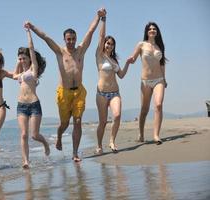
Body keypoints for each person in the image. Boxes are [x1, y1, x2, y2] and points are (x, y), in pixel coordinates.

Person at [25, 8, 105, 162]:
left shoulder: (80, 51)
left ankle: (75, 153)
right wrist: (32, 27)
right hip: (64, 92)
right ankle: (60, 136)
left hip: (79, 92)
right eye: (68, 39)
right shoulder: (60, 52)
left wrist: (98, 16)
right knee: (64, 123)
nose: (71, 41)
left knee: (77, 121)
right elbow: (45, 37)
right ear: (64, 39)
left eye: (73, 39)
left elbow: (90, 31)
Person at [95, 9, 132, 154]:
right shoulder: (99, 56)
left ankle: (112, 141)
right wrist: (103, 19)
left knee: (117, 116)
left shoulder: (114, 60)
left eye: (111, 44)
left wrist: (128, 63)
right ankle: (99, 145)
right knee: (103, 122)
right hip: (101, 94)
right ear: (104, 44)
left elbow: (121, 75)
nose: (109, 45)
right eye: (107, 43)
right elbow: (101, 35)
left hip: (115, 93)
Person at [13, 23, 50, 169]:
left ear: (29, 59)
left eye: (24, 58)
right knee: (23, 135)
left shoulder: (33, 70)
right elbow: (14, 74)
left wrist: (28, 32)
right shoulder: (19, 74)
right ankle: (26, 161)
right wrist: (18, 60)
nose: (22, 60)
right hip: (21, 106)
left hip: (34, 104)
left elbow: (32, 49)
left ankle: (45, 143)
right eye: (20, 59)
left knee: (34, 135)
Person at [129, 22, 167, 145]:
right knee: (144, 109)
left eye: (154, 29)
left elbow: (162, 64)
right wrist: (130, 59)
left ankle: (156, 135)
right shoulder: (141, 44)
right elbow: (134, 59)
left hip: (159, 80)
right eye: (150, 29)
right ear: (146, 31)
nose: (152, 30)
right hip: (145, 81)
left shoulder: (159, 46)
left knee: (158, 105)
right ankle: (141, 134)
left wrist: (164, 79)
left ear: (157, 32)